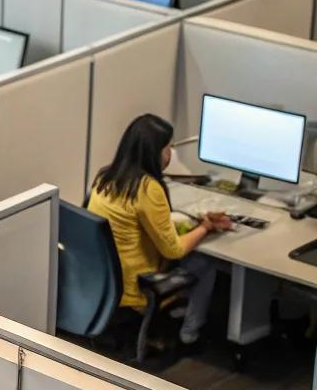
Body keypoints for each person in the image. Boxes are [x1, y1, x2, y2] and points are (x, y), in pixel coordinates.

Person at [87, 113, 232, 349]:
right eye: (168, 148)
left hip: (104, 281)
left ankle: (175, 315)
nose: (170, 154)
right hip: (136, 287)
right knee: (205, 265)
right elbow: (173, 250)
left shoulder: (106, 176)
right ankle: (190, 334)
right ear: (153, 152)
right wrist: (206, 227)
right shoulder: (148, 189)